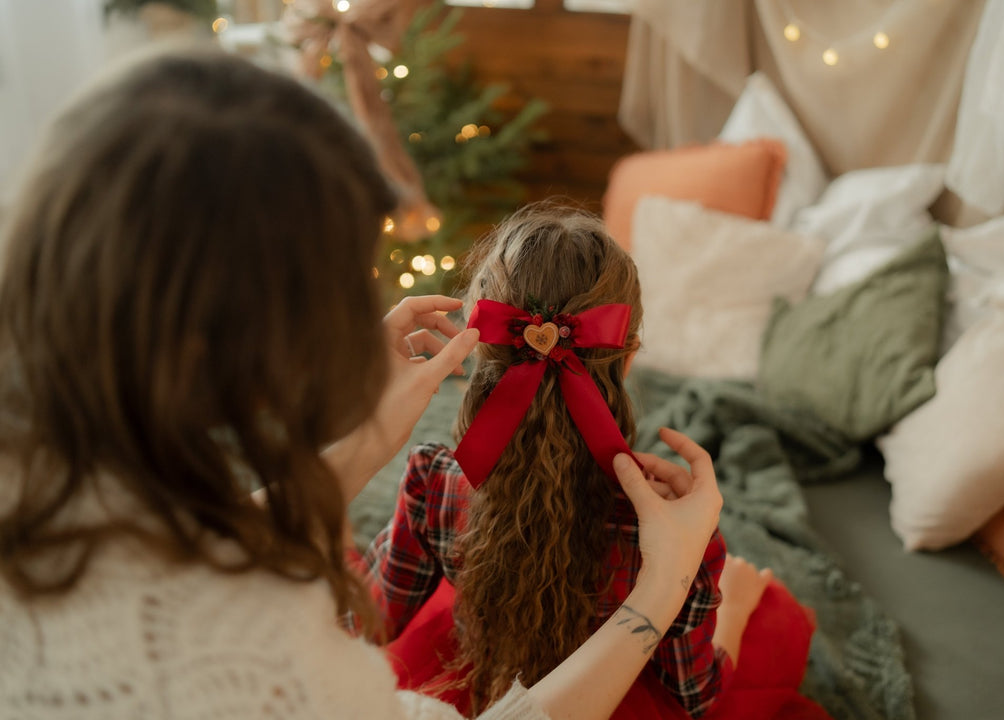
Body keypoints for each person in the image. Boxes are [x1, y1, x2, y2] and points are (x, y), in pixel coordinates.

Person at [0, 48, 724, 720]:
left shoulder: (429, 489)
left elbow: (201, 558)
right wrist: (665, 585)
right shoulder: (269, 664)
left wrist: (370, 438)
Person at [354, 206, 775, 719]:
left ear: (479, 346)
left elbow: (368, 624)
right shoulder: (673, 533)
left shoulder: (431, 485)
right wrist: (735, 605)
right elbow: (696, 694)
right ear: (628, 355)